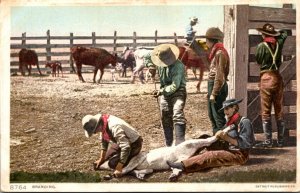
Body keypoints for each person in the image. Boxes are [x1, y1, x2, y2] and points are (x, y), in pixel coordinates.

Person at [166, 98, 255, 181]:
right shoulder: (230, 121)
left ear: (234, 108)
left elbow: (246, 144)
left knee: (211, 155)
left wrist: (225, 137)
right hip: (227, 147)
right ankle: (185, 156)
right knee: (204, 138)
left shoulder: (244, 122)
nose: (225, 112)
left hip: (239, 155)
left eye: (227, 108)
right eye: (224, 109)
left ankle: (183, 165)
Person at [254, 23, 289, 148]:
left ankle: (268, 141)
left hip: (266, 78)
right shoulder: (279, 43)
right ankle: (280, 141)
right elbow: (285, 33)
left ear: (264, 34)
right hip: (277, 78)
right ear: (273, 34)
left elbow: (258, 60)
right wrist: (278, 34)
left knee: (266, 110)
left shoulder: (260, 46)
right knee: (279, 110)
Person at [145, 43, 187, 147]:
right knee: (165, 116)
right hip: (164, 92)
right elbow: (147, 56)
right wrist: (150, 66)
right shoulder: (158, 58)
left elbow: (174, 86)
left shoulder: (178, 66)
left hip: (178, 92)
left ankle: (180, 143)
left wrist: (161, 91)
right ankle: (169, 144)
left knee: (177, 113)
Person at [82, 113, 143, 178]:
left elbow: (126, 147)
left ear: (98, 125)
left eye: (94, 131)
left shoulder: (114, 127)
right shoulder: (103, 122)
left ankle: (132, 161)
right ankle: (122, 157)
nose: (95, 133)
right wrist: (102, 158)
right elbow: (104, 140)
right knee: (105, 158)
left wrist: (119, 167)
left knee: (112, 163)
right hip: (121, 141)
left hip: (134, 143)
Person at [203, 27, 230, 135]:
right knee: (211, 115)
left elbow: (219, 75)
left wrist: (214, 93)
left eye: (207, 40)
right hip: (213, 85)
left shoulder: (220, 53)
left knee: (218, 116)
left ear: (211, 40)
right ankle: (216, 139)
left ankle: (223, 142)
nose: (206, 43)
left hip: (217, 85)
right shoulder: (216, 52)